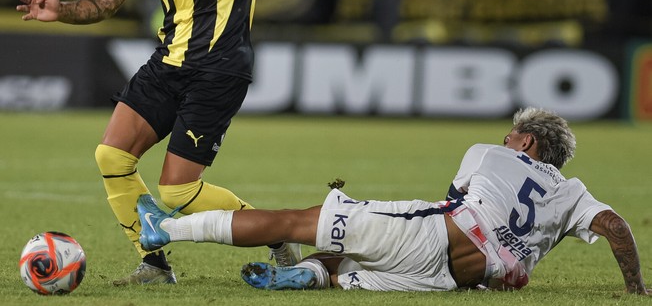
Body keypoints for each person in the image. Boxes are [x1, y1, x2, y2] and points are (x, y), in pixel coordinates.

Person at [16, 0, 305, 285]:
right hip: (166, 64)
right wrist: (62, 9)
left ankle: (275, 234)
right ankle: (153, 265)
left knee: (177, 191)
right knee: (111, 157)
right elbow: (105, 2)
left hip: (219, 68)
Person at [135, 107, 650, 294]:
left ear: (526, 143)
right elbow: (617, 228)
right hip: (455, 280)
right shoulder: (572, 193)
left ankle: (169, 231)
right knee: (349, 269)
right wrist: (635, 289)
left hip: (434, 234)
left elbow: (448, 206)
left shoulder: (488, 154)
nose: (506, 139)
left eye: (512, 135)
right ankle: (309, 276)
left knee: (295, 221)